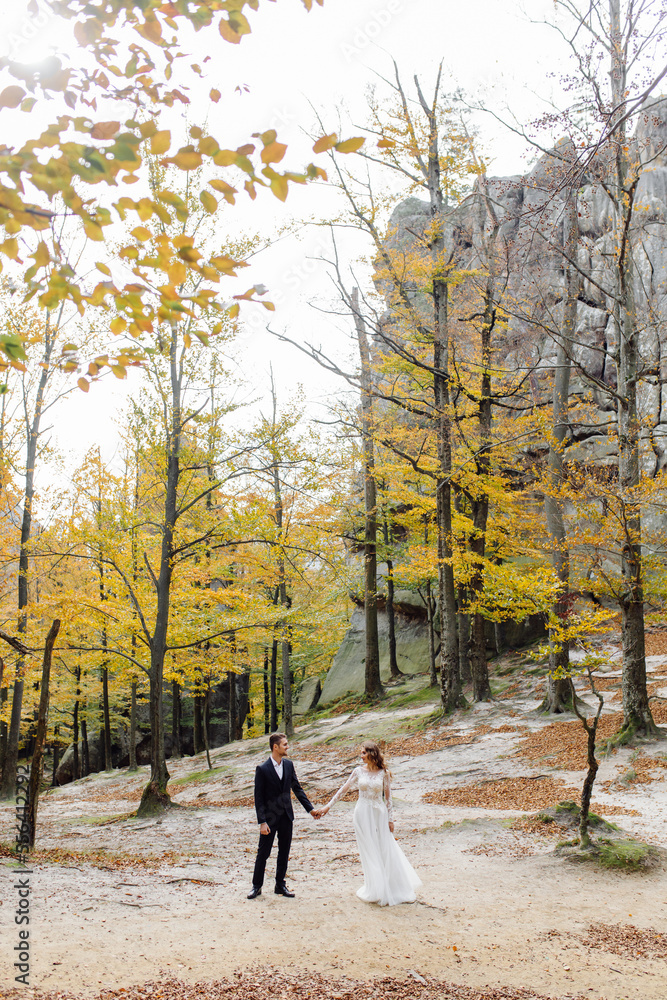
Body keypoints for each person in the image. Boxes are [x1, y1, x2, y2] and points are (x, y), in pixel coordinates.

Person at [319, 740, 421, 906]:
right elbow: (343, 790)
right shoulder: (358, 771)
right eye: (361, 753)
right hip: (362, 813)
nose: (361, 756)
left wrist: (390, 819)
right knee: (368, 849)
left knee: (384, 847)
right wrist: (327, 807)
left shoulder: (384, 773)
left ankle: (391, 886)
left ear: (372, 754)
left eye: (364, 753)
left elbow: (388, 798)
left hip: (379, 813)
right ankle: (374, 887)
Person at [247, 732, 320, 899]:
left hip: (287, 816)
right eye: (285, 744)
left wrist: (310, 810)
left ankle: (280, 885)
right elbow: (258, 798)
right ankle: (256, 886)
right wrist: (262, 822)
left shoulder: (289, 765)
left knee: (284, 852)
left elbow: (297, 789)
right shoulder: (262, 769)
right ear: (275, 747)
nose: (287, 747)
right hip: (270, 818)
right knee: (263, 854)